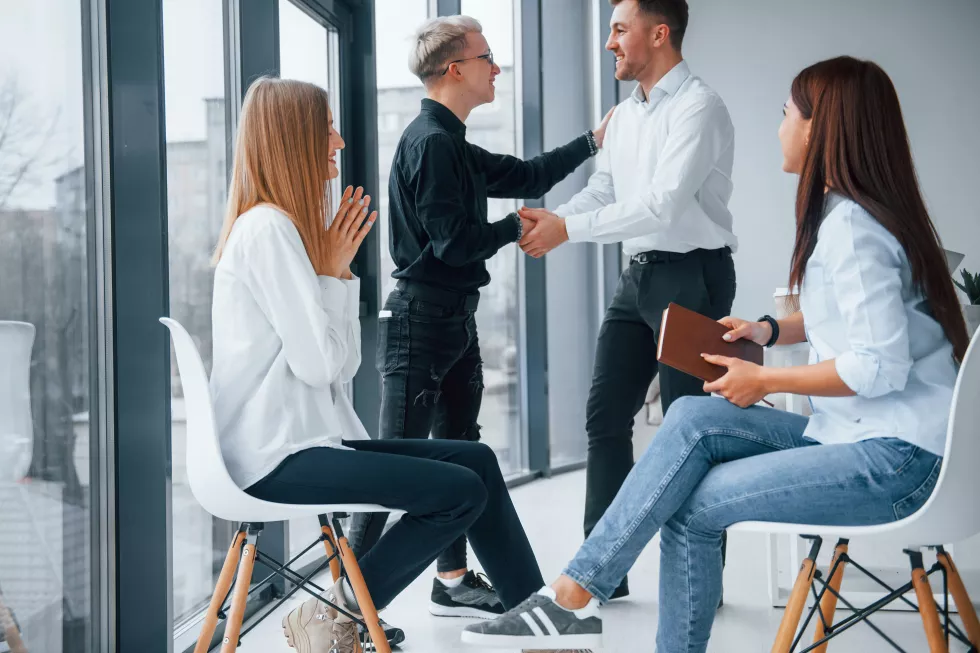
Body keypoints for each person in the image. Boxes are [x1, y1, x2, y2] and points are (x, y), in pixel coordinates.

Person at [462, 55, 970, 652]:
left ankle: (573, 598)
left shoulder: (853, 228)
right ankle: (573, 595)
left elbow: (878, 367)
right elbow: (856, 318)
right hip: (869, 437)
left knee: (692, 502)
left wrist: (765, 383)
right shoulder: (862, 216)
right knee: (691, 417)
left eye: (787, 114)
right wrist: (768, 332)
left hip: (895, 459)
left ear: (820, 127)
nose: (779, 126)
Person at [208, 77, 547, 653]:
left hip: (305, 443)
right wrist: (334, 275)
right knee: (460, 491)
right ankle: (338, 612)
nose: (338, 143)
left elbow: (341, 368)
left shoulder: (280, 231)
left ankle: (539, 617)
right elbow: (323, 368)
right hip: (275, 457)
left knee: (478, 461)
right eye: (328, 130)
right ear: (296, 140)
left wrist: (335, 275)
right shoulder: (268, 231)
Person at [348, 14, 614, 624]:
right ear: (455, 69)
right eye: (487, 57)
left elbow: (527, 174)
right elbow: (452, 244)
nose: (497, 67)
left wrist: (594, 141)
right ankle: (349, 604)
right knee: (395, 468)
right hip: (419, 324)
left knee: (459, 451)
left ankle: (451, 579)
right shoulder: (432, 143)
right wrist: (516, 226)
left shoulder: (454, 144)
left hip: (451, 321)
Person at [516, 0, 738, 601]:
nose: (609, 43)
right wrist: (555, 221)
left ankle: (700, 582)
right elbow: (607, 189)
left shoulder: (700, 107)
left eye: (619, 30)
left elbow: (663, 204)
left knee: (691, 430)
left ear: (658, 33)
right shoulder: (626, 115)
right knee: (605, 418)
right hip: (637, 276)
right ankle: (601, 576)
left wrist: (568, 230)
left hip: (692, 278)